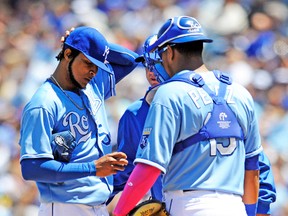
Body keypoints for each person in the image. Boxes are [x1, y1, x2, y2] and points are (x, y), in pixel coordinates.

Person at [113, 15, 262, 216]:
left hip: (189, 205)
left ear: (170, 52)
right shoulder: (240, 93)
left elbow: (149, 168)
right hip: (235, 207)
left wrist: (119, 212)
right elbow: (252, 170)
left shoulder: (170, 93)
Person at [19, 26, 139, 216]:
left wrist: (91, 44)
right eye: (87, 63)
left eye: (97, 66)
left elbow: (131, 60)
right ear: (68, 54)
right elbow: (31, 168)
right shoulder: (43, 103)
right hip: (64, 208)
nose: (93, 71)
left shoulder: (92, 85)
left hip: (98, 206)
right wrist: (93, 168)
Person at [111, 35, 163, 204]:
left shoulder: (198, 103)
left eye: (157, 63)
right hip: (161, 206)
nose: (151, 71)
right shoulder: (134, 113)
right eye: (147, 64)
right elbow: (126, 168)